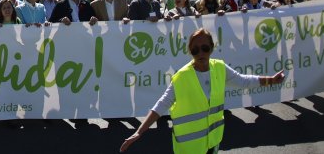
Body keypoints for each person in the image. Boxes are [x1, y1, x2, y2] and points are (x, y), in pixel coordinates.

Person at [120, 29, 285, 153]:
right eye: (195, 50)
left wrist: (270, 80)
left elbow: (243, 81)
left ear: (212, 48)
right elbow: (161, 105)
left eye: (205, 48)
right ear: (190, 52)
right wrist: (138, 132)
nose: (200, 53)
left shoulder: (219, 67)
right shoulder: (181, 77)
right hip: (189, 148)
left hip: (212, 142)